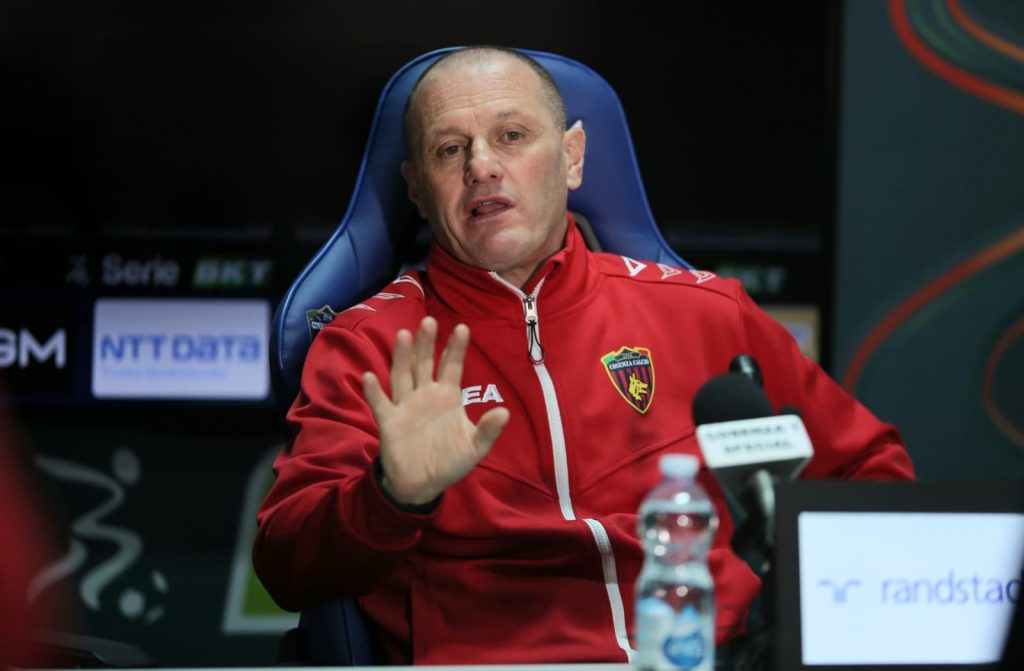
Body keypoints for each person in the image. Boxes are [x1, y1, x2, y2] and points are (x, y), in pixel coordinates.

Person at [253, 46, 914, 666]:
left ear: (572, 158)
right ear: (418, 190)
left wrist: (802, 623)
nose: (481, 166)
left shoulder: (709, 312)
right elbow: (287, 566)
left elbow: (869, 471)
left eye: (512, 136)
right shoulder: (369, 344)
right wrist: (393, 496)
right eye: (450, 149)